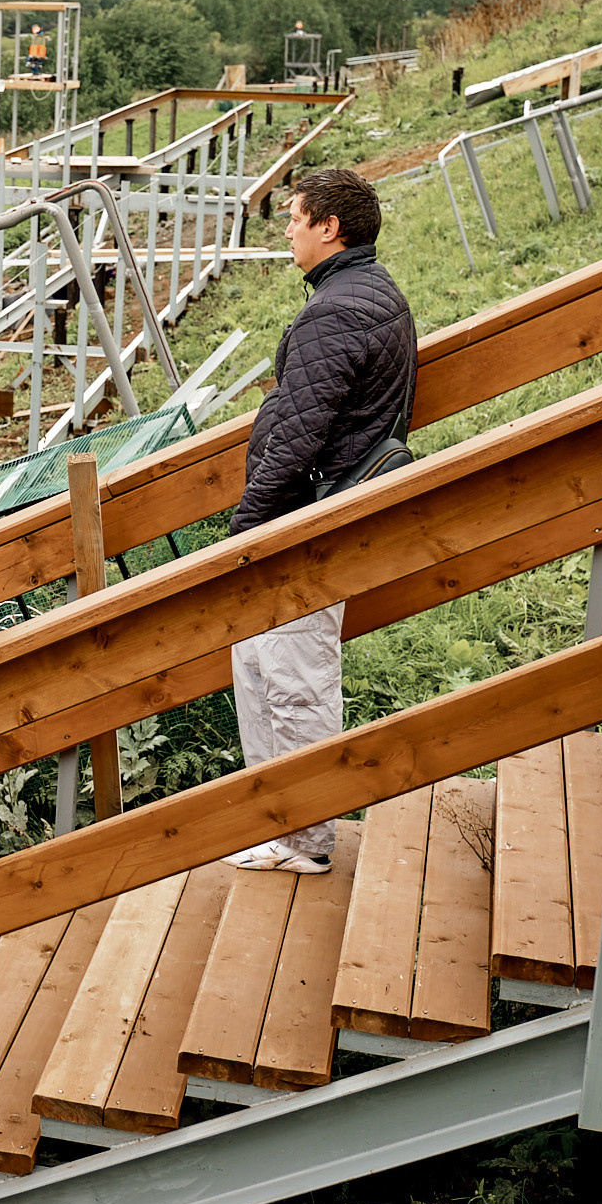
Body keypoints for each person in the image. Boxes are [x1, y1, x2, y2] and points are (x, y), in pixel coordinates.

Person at [223, 168, 417, 874]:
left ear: (329, 227)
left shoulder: (335, 312)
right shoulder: (368, 293)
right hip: (320, 509)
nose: (288, 228)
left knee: (293, 672)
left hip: (306, 518)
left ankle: (303, 838)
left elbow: (300, 438)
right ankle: (282, 822)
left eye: (296, 217)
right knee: (261, 661)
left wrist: (245, 530)